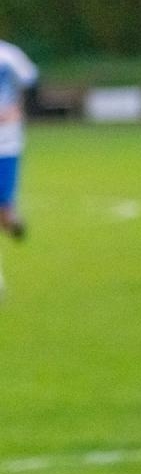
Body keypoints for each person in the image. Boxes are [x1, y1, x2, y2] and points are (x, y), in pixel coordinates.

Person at [0, 38, 39, 294]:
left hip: (7, 144)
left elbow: (33, 83)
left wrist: (18, 109)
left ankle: (12, 221)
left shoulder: (9, 55)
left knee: (4, 211)